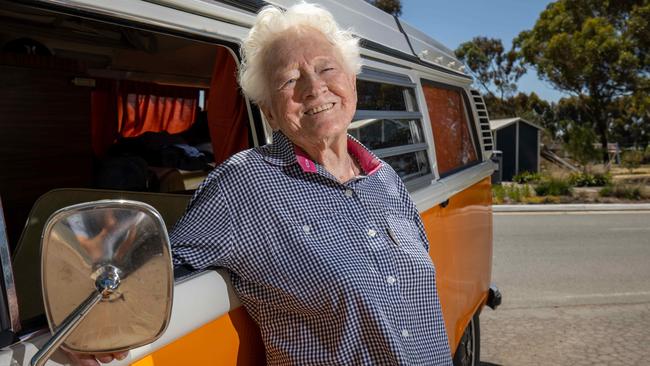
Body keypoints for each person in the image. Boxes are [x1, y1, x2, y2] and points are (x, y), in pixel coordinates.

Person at [70, 3, 452, 365]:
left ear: (352, 81)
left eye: (326, 69)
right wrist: (92, 324)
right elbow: (161, 269)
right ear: (269, 109)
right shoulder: (246, 183)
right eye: (289, 79)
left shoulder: (385, 179)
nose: (313, 88)